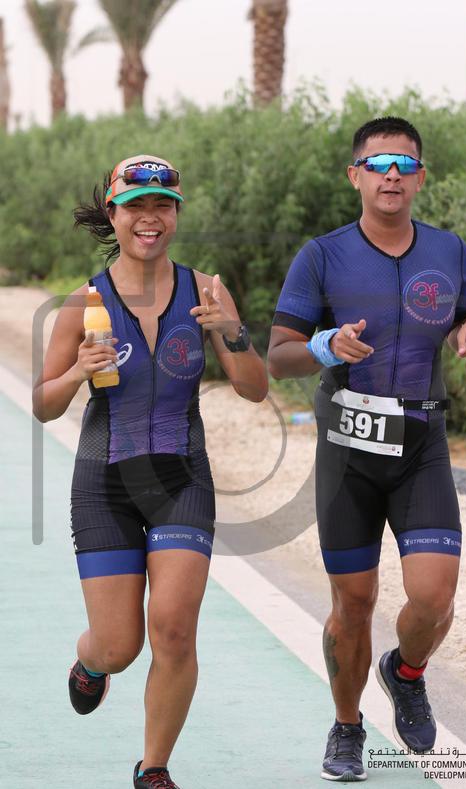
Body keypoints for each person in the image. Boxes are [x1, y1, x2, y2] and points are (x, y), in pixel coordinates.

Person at [267, 117, 466, 782]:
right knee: (355, 602)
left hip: (422, 445)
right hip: (349, 451)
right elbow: (277, 355)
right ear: (355, 176)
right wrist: (323, 345)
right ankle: (347, 726)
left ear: (420, 178)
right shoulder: (322, 256)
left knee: (434, 596)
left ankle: (406, 671)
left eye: (405, 164)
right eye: (378, 163)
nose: (392, 174)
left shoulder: (450, 250)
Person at [32, 154, 268, 789]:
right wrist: (78, 371)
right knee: (120, 646)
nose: (150, 216)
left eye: (163, 204)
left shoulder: (207, 292)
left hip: (181, 480)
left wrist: (233, 332)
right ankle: (90, 661)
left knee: (174, 629)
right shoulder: (84, 302)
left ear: (176, 215)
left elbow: (255, 389)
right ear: (114, 215)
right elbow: (43, 403)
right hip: (104, 484)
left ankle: (153, 768)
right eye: (136, 205)